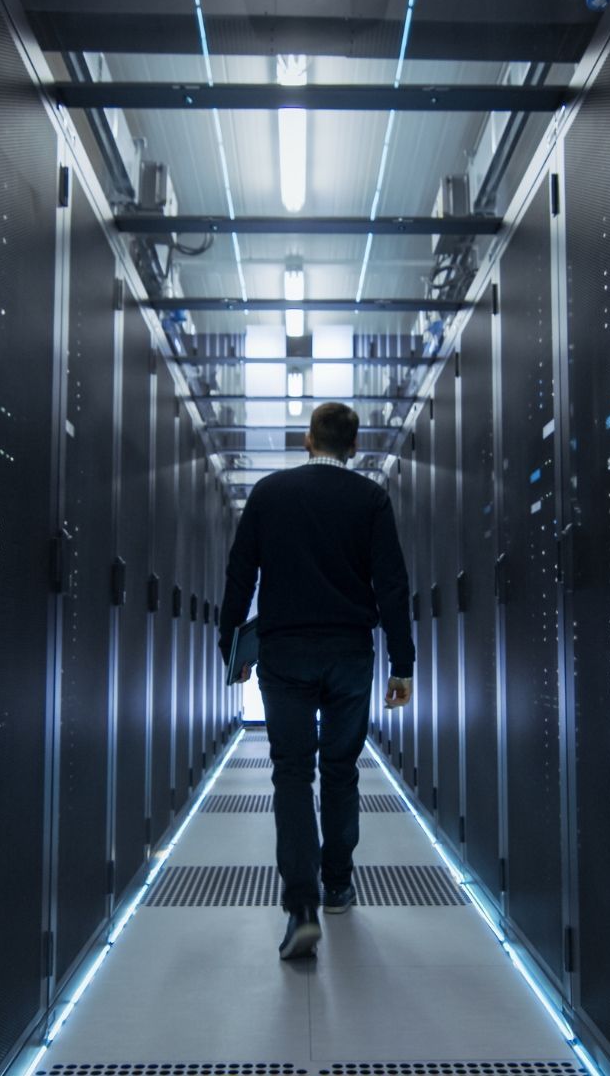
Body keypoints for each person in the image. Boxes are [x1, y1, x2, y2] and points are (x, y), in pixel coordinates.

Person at [218, 401, 415, 960]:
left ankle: (300, 905)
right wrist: (403, 663)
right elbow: (392, 585)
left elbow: (239, 575)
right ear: (353, 448)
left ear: (308, 440)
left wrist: (231, 648)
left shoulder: (269, 494)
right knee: (340, 770)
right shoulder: (371, 499)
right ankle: (336, 886)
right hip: (350, 652)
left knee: (291, 773)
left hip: (285, 653)